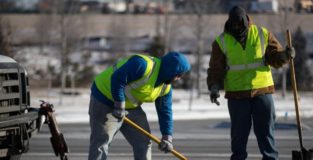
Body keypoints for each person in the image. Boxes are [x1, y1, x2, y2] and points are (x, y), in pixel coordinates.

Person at [207, 6, 295, 160]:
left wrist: (285, 56)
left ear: (246, 22)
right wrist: (214, 87)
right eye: (234, 24)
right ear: (229, 22)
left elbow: (274, 57)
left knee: (266, 131)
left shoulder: (262, 34)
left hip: (262, 91)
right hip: (237, 95)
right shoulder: (221, 42)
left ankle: (270, 158)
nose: (236, 27)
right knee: (238, 136)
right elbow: (215, 68)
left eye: (240, 24)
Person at [88, 51, 191, 160]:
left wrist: (167, 137)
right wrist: (119, 105)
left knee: (143, 141)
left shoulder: (165, 87)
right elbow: (117, 78)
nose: (179, 78)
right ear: (171, 71)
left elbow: (165, 111)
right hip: (105, 98)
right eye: (179, 75)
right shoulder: (143, 65)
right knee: (102, 141)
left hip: (130, 107)